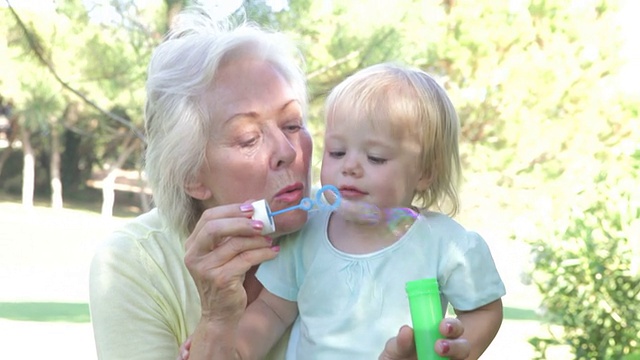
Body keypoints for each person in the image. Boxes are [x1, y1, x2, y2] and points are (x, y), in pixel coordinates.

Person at [89, 5, 472, 360]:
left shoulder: (353, 223)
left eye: (293, 124)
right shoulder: (134, 264)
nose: (288, 151)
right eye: (248, 138)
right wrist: (217, 322)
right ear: (191, 177)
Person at [221, 63, 506, 359]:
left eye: (375, 157)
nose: (350, 167)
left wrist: (455, 351)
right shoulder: (308, 231)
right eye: (337, 152)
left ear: (424, 172)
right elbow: (272, 311)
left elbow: (484, 309)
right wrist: (235, 350)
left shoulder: (445, 244)